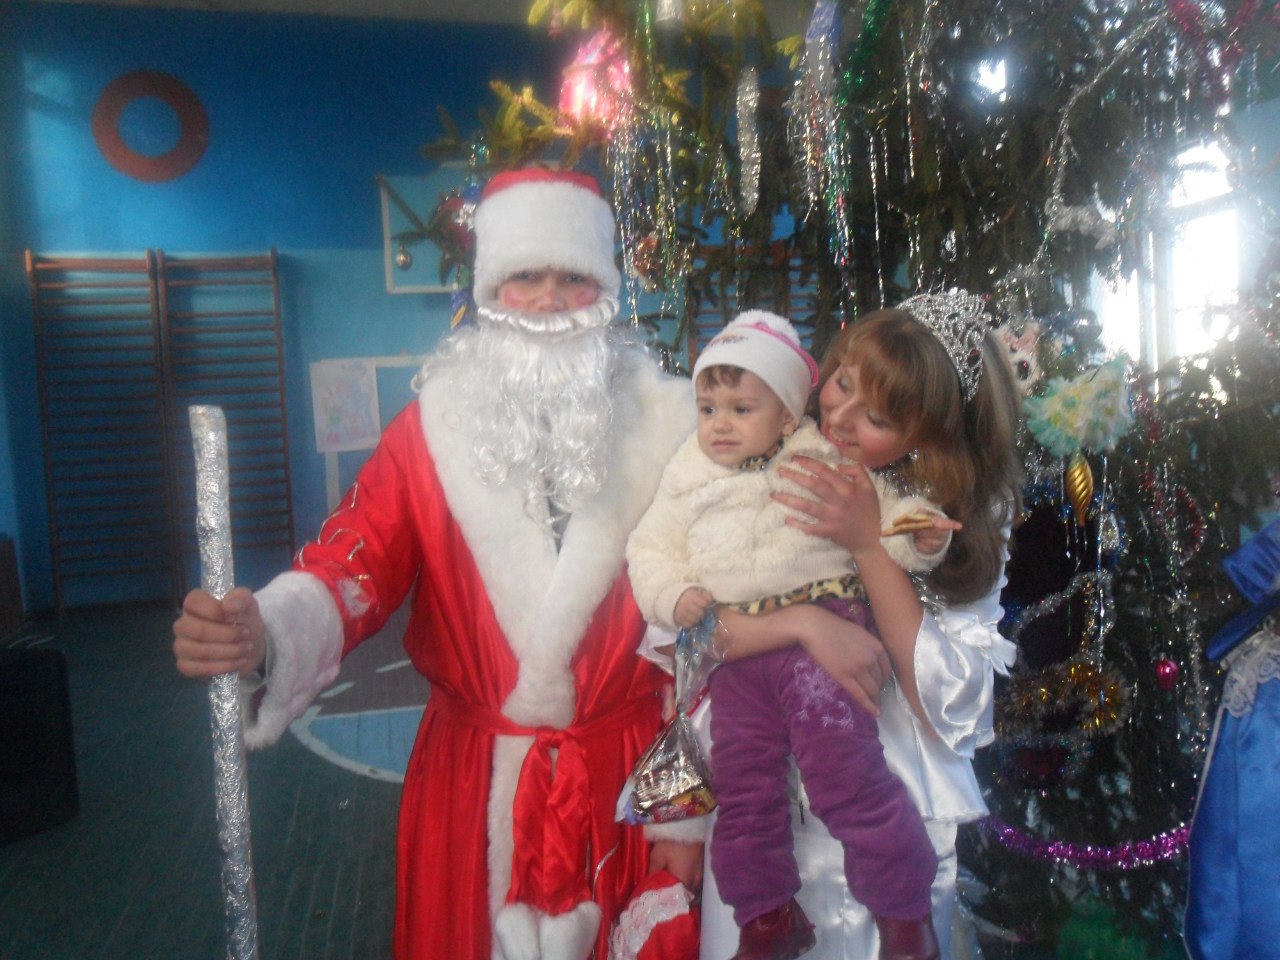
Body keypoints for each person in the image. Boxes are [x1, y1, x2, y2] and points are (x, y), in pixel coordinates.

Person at [172, 167, 704, 960]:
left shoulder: (677, 428)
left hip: (632, 785)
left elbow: (703, 657)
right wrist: (264, 634)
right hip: (473, 788)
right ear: (490, 291)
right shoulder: (430, 432)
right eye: (527, 276)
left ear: (604, 292)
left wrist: (683, 818)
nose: (550, 301)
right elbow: (350, 567)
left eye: (573, 278)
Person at [677, 293, 1024, 960]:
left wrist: (868, 545)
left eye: (878, 416)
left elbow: (949, 710)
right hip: (765, 808)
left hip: (890, 823)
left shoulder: (948, 524)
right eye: (841, 382)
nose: (837, 417)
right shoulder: (763, 452)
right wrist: (805, 624)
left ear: (931, 436)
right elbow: (690, 636)